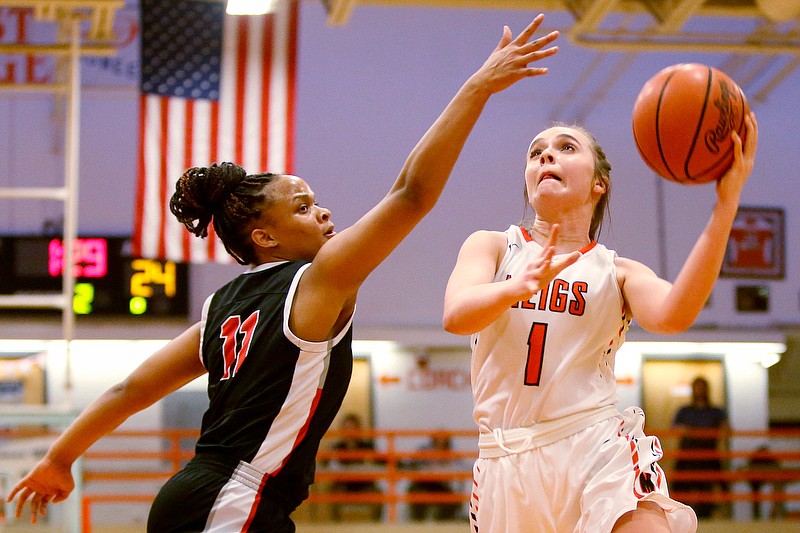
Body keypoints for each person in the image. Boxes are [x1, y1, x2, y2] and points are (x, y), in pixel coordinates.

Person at [6, 15, 562, 532]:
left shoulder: (220, 309)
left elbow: (133, 387)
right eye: (301, 207)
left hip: (204, 496)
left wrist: (61, 456)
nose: (321, 212)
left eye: (315, 201)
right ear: (263, 237)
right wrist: (478, 88)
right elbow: (412, 194)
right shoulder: (319, 279)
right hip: (234, 497)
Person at [442, 107, 758, 530]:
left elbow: (675, 314)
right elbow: (456, 316)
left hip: (595, 445)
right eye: (536, 153)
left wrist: (725, 206)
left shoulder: (617, 271)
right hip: (505, 464)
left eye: (565, 148)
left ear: (598, 183)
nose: (545, 157)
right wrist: (517, 287)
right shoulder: (495, 247)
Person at [672, 376, 729, 519]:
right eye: (697, 387)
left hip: (708, 454)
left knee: (712, 486)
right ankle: (682, 518)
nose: (699, 390)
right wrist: (686, 431)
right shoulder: (684, 410)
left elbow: (726, 429)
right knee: (679, 485)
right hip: (688, 454)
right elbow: (675, 428)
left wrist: (707, 433)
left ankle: (706, 516)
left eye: (702, 387)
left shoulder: (716, 411)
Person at [328, 413, 382, 521]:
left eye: (353, 427)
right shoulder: (337, 448)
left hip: (364, 486)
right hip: (344, 485)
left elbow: (380, 463)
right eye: (347, 427)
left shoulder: (367, 447)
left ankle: (375, 526)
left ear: (359, 429)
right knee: (332, 491)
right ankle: (336, 526)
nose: (350, 431)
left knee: (378, 493)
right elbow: (327, 466)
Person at [404, 433, 463, 521]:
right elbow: (413, 468)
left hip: (441, 487)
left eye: (443, 442)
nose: (440, 444)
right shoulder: (424, 452)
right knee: (417, 494)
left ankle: (444, 524)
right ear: (433, 442)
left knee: (451, 500)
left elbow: (459, 471)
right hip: (423, 485)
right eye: (438, 441)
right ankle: (417, 523)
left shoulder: (452, 456)